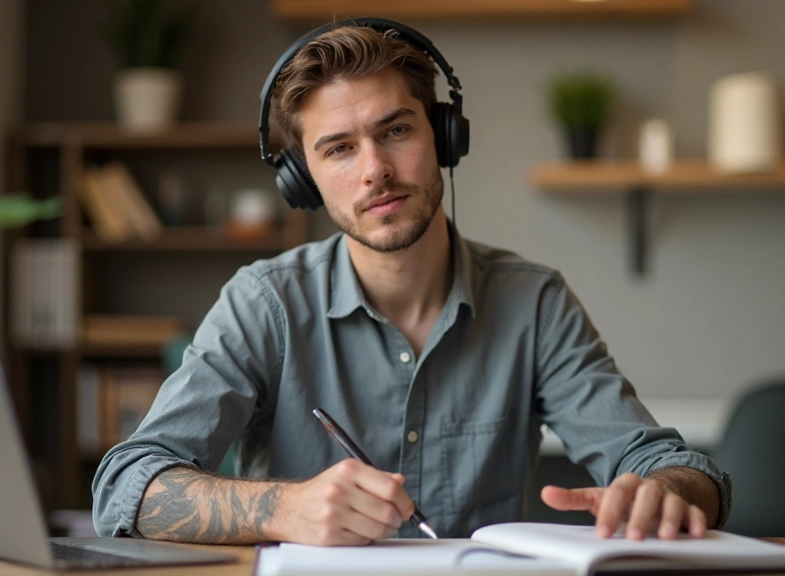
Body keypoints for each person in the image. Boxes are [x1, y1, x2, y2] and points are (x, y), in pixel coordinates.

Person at [92, 18, 731, 546]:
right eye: (338, 148)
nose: (375, 170)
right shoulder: (264, 303)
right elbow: (125, 485)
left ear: (445, 136)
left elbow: (679, 469)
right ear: (304, 179)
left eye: (396, 130)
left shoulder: (534, 301)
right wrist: (281, 509)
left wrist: (661, 491)